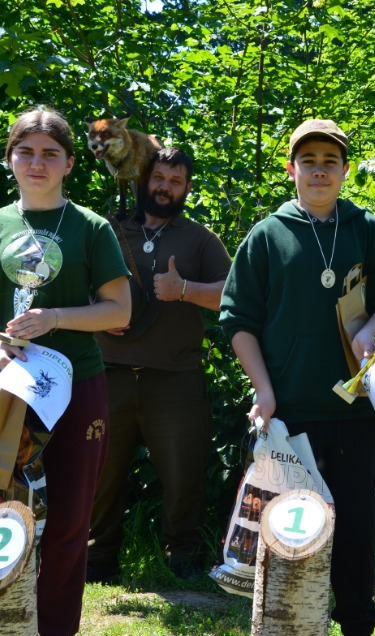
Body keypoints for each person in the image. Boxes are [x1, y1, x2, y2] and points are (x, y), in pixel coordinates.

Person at [219, 119, 375, 636]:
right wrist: (264, 391)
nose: (320, 169)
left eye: (330, 160)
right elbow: (238, 320)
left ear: (346, 170)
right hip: (289, 416)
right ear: (292, 169)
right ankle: (285, 635)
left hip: (353, 412)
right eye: (309, 160)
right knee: (287, 534)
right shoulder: (267, 234)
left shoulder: (366, 229)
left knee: (354, 529)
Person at [0, 106, 131, 636]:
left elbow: (118, 310)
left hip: (76, 390)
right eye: (25, 151)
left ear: (71, 163)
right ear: (9, 159)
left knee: (71, 516)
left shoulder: (92, 229)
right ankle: (2, 627)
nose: (37, 162)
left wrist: (53, 318)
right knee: (0, 513)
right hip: (1, 388)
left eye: (50, 153)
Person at [88, 147, 231, 582]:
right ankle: (97, 560)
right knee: (99, 472)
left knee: (183, 473)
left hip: (175, 379)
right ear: (143, 180)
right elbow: (74, 284)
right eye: (159, 177)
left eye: (176, 181)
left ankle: (183, 559)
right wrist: (97, 308)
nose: (165, 187)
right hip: (107, 374)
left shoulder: (200, 239)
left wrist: (183, 289)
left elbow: (233, 293)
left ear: (187, 189)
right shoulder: (107, 231)